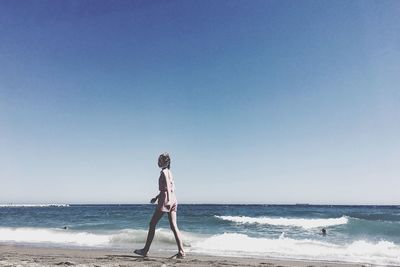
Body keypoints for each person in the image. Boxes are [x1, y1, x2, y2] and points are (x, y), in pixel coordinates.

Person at [134, 153, 185, 258]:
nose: (158, 162)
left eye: (160, 160)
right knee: (174, 226)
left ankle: (145, 250)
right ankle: (181, 251)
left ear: (165, 162)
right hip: (173, 199)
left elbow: (167, 189)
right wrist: (157, 197)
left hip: (167, 200)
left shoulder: (164, 172)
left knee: (152, 224)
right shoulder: (170, 172)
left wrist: (168, 200)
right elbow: (170, 188)